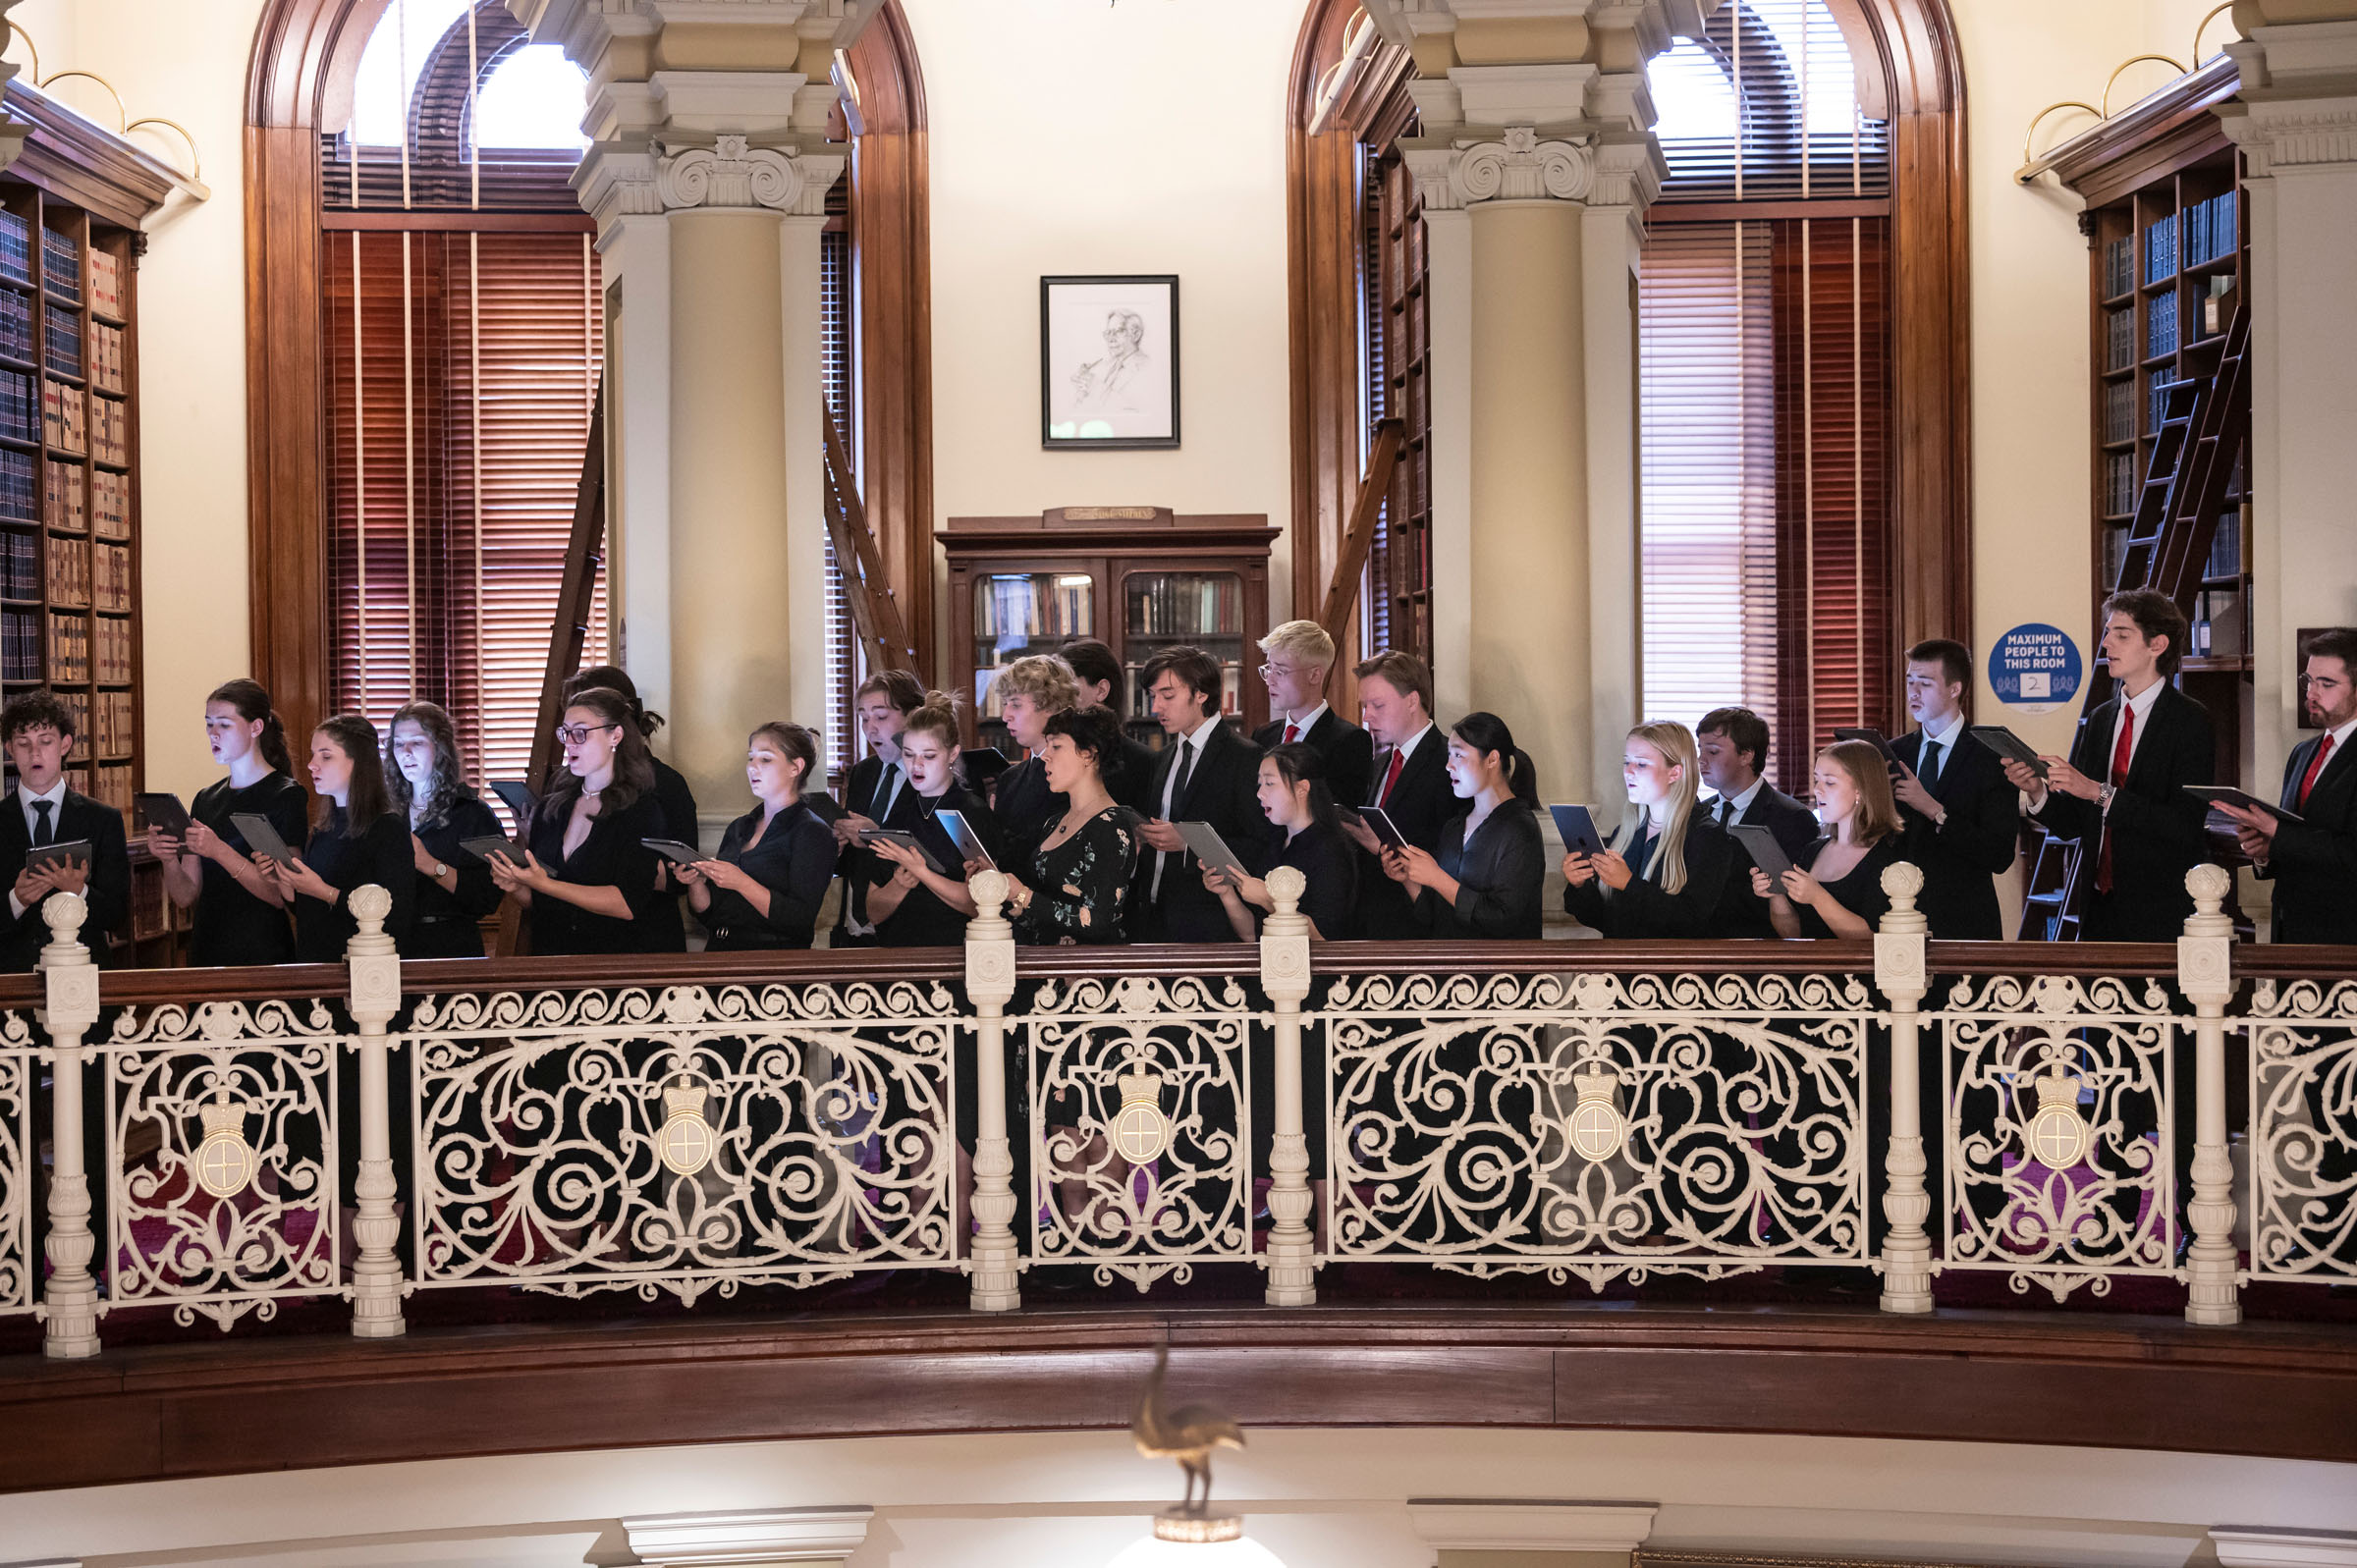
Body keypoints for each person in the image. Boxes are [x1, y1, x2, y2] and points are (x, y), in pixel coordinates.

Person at [2002, 590, 2215, 941]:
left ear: (2157, 645)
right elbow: (2074, 823)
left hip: (2160, 909)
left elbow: (2182, 824)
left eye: (2121, 634)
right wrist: (2037, 790)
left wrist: (2098, 792)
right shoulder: (2101, 719)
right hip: (2097, 904)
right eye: (2107, 632)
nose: (2106, 644)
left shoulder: (2191, 721)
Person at [489, 686, 667, 954]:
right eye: (565, 732)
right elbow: (539, 901)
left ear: (615, 735)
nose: (569, 742)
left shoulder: (640, 810)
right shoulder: (553, 807)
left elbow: (627, 903)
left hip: (611, 963)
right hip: (551, 960)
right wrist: (517, 886)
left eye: (580, 733)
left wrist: (546, 884)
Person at [151, 678, 309, 966]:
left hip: (261, 951)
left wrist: (219, 851)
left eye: (224, 725)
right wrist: (168, 860)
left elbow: (280, 894)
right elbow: (186, 895)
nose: (213, 733)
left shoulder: (285, 795)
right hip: (208, 949)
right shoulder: (206, 799)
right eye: (209, 724)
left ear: (256, 727)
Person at [2222, 626, 2357, 944]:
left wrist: (2278, 833)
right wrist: (2265, 851)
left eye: (2326, 683)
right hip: (2292, 931)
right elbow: (2297, 837)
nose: (2311, 693)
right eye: (2308, 681)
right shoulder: (2303, 753)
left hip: (2345, 938)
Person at [1129, 646, 1263, 942]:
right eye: (1154, 697)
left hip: (1213, 924)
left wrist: (1189, 845)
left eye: (1167, 695)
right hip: (1151, 919)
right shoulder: (1162, 758)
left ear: (1201, 694)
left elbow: (1262, 845)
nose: (1156, 708)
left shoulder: (1246, 758)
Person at [259, 714, 416, 963]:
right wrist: (282, 880)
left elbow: (397, 918)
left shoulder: (387, 828)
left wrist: (323, 891)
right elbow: (309, 912)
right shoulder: (324, 828)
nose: (312, 764)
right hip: (315, 967)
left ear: (358, 762)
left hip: (362, 973)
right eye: (313, 755)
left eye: (326, 756)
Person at [1889, 640, 2019, 940]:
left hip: (1965, 922)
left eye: (1925, 683)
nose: (1913, 692)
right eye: (1910, 681)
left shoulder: (1992, 756)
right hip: (1898, 922)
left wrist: (1935, 811)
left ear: (1954, 689)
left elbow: (1999, 855)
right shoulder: (1893, 753)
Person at [566, 667, 693, 953]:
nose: (573, 738)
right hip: (575, 940)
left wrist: (619, 869)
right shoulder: (568, 789)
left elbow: (682, 876)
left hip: (642, 940)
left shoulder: (666, 785)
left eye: (583, 728)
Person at [1562, 721, 1731, 939]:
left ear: (1674, 773)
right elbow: (1605, 920)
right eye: (1626, 762)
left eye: (1641, 764)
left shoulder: (1706, 837)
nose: (1629, 772)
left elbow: (1691, 921)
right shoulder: (1625, 833)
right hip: (1621, 968)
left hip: (1672, 970)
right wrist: (1580, 884)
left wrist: (1628, 884)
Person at [679, 723, 840, 950]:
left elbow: (800, 920)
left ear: (796, 767)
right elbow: (711, 914)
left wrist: (742, 882)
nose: (752, 767)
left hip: (772, 961)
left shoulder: (812, 831)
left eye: (765, 759)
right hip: (720, 953)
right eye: (750, 758)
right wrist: (696, 883)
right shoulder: (739, 827)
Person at [1386, 711, 1545, 940]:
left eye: (1458, 755)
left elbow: (1503, 917)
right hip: (1450, 970)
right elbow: (1437, 914)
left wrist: (1437, 878)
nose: (1449, 765)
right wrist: (1408, 879)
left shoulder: (1520, 828)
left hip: (1498, 972)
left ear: (1492, 759)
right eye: (1449, 755)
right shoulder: (1454, 826)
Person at [0, 690, 130, 970]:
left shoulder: (103, 820)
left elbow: (119, 916)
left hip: (82, 977)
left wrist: (79, 891)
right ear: (10, 748)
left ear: (65, 744)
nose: (35, 753)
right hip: (12, 983)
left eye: (45, 742)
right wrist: (17, 899)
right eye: (23, 744)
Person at [867, 694, 1004, 946]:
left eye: (928, 756)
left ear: (952, 754)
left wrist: (922, 872)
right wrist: (899, 885)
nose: (916, 765)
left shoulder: (971, 813)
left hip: (955, 957)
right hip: (898, 955)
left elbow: (982, 905)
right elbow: (873, 913)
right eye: (908, 755)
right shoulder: (899, 816)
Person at [1005, 704, 1140, 946]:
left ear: (1088, 753)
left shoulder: (1111, 826)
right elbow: (1042, 907)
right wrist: (1013, 899)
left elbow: (1099, 920)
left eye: (1056, 746)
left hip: (1086, 976)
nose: (1045, 755)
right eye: (1047, 745)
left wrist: (1023, 895)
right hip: (1043, 965)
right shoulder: (1054, 821)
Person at [1343, 650, 1453, 940]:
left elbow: (1452, 850)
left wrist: (1382, 846)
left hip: (1421, 928)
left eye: (1377, 705)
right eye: (1364, 706)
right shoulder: (1381, 762)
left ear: (1412, 701)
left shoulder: (1449, 762)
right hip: (1372, 922)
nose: (1366, 716)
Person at [385, 700, 506, 958]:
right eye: (398, 744)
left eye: (417, 743)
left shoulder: (472, 813)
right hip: (394, 947)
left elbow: (486, 898)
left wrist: (430, 865)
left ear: (439, 749)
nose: (405, 752)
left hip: (451, 946)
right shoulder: (386, 814)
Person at [1205, 742, 1357, 941]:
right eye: (1260, 784)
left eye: (1270, 784)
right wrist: (1227, 894)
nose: (1260, 793)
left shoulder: (1330, 849)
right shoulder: (1276, 841)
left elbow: (1324, 939)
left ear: (1302, 788)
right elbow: (1253, 935)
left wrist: (1269, 899)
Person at [1752, 740, 1903, 939]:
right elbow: (1795, 935)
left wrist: (1817, 897)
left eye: (1830, 782)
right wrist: (1776, 895)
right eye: (1817, 780)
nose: (1817, 790)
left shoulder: (1890, 854)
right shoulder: (1813, 851)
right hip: (1812, 969)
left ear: (1861, 789)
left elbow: (1872, 941)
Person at [1695, 706, 1818, 939]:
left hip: (1762, 951)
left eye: (1712, 752)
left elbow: (1798, 905)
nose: (1701, 761)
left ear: (1746, 755)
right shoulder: (1699, 811)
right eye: (1700, 750)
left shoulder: (1793, 818)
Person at [831, 669, 927, 946]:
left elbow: (937, 852)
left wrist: (878, 834)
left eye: (881, 716)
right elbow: (854, 857)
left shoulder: (930, 774)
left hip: (910, 927)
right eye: (863, 718)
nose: (870, 727)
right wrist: (837, 845)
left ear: (913, 716)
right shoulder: (863, 772)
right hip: (855, 928)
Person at [1250, 620, 1374, 810]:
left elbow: (1338, 817)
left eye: (1281, 671)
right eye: (1268, 669)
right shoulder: (1263, 735)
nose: (1270, 681)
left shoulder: (1350, 741)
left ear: (1315, 675)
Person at [988, 655, 1081, 875]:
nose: (1005, 716)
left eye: (1016, 705)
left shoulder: (1077, 777)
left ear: (1050, 705)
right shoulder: (1009, 778)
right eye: (1005, 704)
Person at [1058, 638, 1158, 812]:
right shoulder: (1055, 754)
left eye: (1067, 685)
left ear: (1101, 690)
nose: (1058, 696)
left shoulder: (1144, 762)